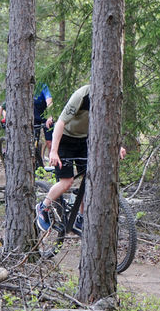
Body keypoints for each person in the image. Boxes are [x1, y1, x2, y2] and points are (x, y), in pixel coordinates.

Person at [35, 84, 126, 231]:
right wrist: (53, 151)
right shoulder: (82, 95)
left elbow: (109, 126)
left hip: (86, 139)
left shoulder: (110, 98)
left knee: (88, 179)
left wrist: (118, 147)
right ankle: (43, 207)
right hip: (65, 138)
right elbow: (60, 123)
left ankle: (81, 217)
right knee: (67, 182)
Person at [33, 83, 54, 157]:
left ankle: (52, 162)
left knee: (50, 142)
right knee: (32, 142)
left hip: (45, 116)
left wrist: (49, 116)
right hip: (33, 117)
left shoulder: (42, 86)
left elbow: (49, 100)